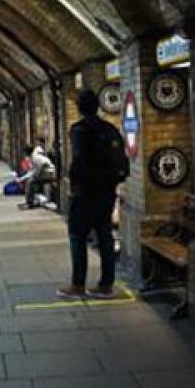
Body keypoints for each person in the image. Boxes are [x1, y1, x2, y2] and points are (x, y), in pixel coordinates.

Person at [57, 89, 126, 299]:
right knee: (104, 235)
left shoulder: (79, 130)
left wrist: (74, 185)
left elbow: (79, 160)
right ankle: (106, 284)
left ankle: (78, 285)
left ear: (79, 107)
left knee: (77, 236)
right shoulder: (110, 129)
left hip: (85, 193)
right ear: (97, 106)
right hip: (107, 192)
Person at [18, 137, 57, 209]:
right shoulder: (33, 157)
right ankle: (30, 201)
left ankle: (30, 202)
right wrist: (22, 178)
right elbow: (32, 170)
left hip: (49, 173)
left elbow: (43, 164)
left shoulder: (35, 157)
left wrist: (36, 174)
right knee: (30, 181)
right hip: (46, 173)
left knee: (30, 182)